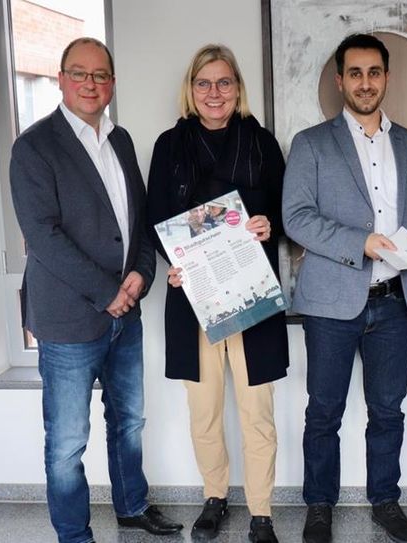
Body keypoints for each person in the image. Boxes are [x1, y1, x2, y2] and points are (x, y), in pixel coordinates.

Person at [9, 37, 182, 543]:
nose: (90, 83)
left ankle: (132, 507)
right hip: (69, 320)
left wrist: (142, 274)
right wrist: (109, 291)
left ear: (112, 83)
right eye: (80, 74)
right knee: (67, 442)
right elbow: (43, 236)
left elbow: (139, 220)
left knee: (129, 421)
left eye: (100, 75)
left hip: (125, 315)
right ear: (61, 79)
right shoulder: (34, 147)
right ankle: (74, 534)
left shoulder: (120, 139)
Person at [282, 33, 407, 543]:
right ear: (340, 80)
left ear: (387, 77)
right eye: (355, 73)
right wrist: (362, 242)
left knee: (388, 411)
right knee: (323, 412)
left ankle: (386, 502)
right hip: (331, 303)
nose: (365, 82)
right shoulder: (311, 143)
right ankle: (319, 506)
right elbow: (295, 218)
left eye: (374, 72)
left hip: (395, 302)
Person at [147, 44, 289, 542]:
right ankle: (215, 496)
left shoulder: (261, 142)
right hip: (194, 299)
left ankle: (261, 512)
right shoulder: (170, 145)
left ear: (237, 88)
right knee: (204, 411)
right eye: (204, 83)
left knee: (257, 412)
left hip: (252, 298)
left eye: (224, 82)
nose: (214, 92)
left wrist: (269, 224)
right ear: (191, 89)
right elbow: (155, 218)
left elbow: (286, 211)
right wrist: (175, 263)